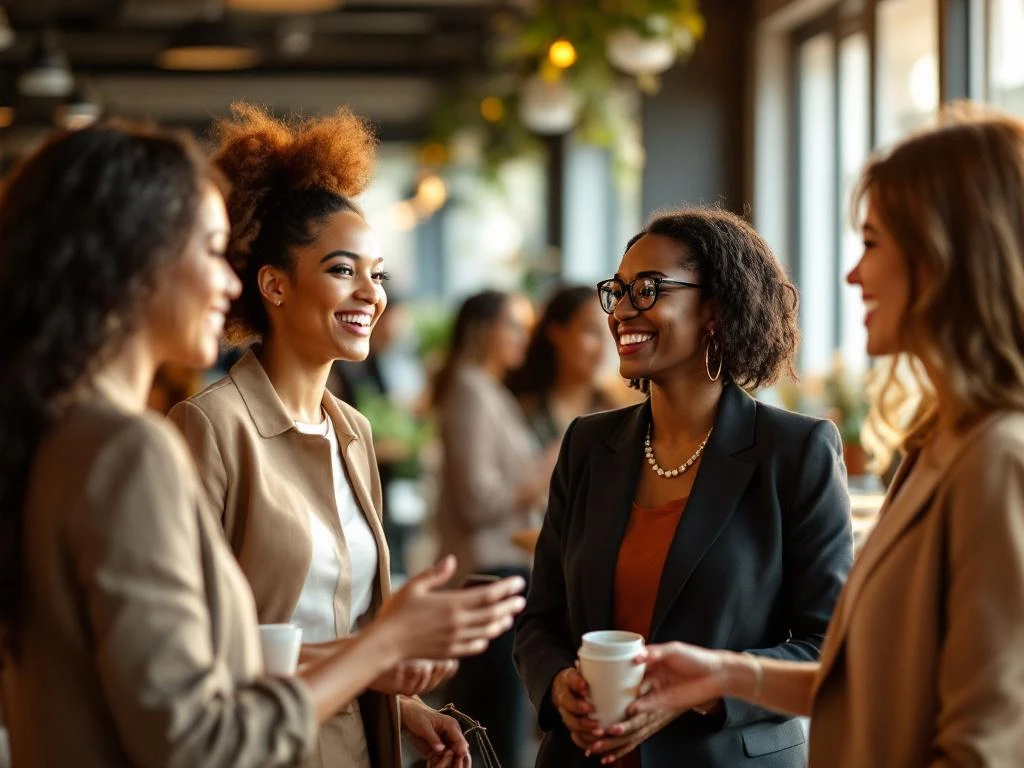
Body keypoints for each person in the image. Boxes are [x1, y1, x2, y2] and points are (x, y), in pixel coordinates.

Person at [0, 122, 525, 767]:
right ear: (132, 258)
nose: (229, 282)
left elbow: (210, 661)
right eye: (213, 250)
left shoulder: (64, 434)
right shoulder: (134, 447)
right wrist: (380, 647)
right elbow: (198, 733)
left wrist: (385, 675)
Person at [628, 108, 1024, 767]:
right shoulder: (938, 443)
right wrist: (726, 675)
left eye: (872, 244)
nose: (853, 276)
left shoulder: (997, 458)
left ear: (944, 258)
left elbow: (984, 745)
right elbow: (886, 687)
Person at [166, 104, 468, 768]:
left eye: (377, 273)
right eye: (342, 270)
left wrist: (406, 705)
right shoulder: (210, 429)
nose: (370, 293)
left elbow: (349, 623)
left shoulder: (353, 430)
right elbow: (195, 647)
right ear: (274, 285)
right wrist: (378, 654)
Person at [513, 207, 854, 767]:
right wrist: (556, 685)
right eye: (617, 291)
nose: (622, 310)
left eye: (648, 290)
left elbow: (828, 644)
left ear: (715, 309)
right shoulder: (588, 446)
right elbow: (542, 620)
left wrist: (706, 689)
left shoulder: (795, 452)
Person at [433, 289, 553, 768]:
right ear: (486, 330)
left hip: (503, 567)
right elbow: (475, 500)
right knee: (491, 726)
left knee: (499, 724)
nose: (524, 338)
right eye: (514, 326)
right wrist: (541, 475)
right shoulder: (470, 390)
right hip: (485, 573)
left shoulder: (489, 389)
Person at [506, 284, 616, 448]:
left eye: (612, 333)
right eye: (592, 331)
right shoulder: (519, 411)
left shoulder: (619, 413)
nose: (604, 348)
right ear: (556, 332)